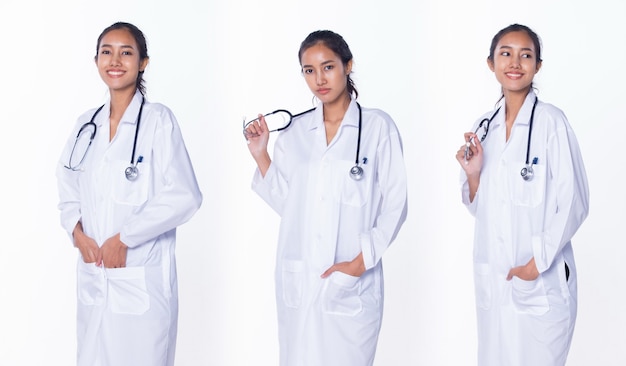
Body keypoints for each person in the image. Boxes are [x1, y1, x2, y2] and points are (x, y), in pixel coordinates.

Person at [244, 30, 407, 366]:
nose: (319, 79)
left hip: (352, 282)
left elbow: (396, 205)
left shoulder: (378, 128)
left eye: (328, 67)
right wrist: (261, 154)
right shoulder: (295, 131)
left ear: (348, 66)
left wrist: (360, 262)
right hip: (300, 280)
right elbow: (290, 207)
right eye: (308, 70)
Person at [56, 22, 202, 366]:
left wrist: (124, 238)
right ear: (96, 61)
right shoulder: (85, 124)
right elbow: (66, 183)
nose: (115, 60)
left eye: (126, 52)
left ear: (143, 63)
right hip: (95, 275)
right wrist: (77, 233)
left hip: (141, 278)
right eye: (107, 51)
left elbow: (185, 195)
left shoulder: (158, 121)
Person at [455, 24, 589, 366]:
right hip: (495, 280)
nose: (515, 62)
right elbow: (480, 207)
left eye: (525, 55)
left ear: (538, 66)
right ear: (491, 63)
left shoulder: (552, 123)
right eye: (506, 54)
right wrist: (472, 175)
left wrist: (537, 262)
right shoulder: (484, 126)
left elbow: (574, 202)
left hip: (540, 281)